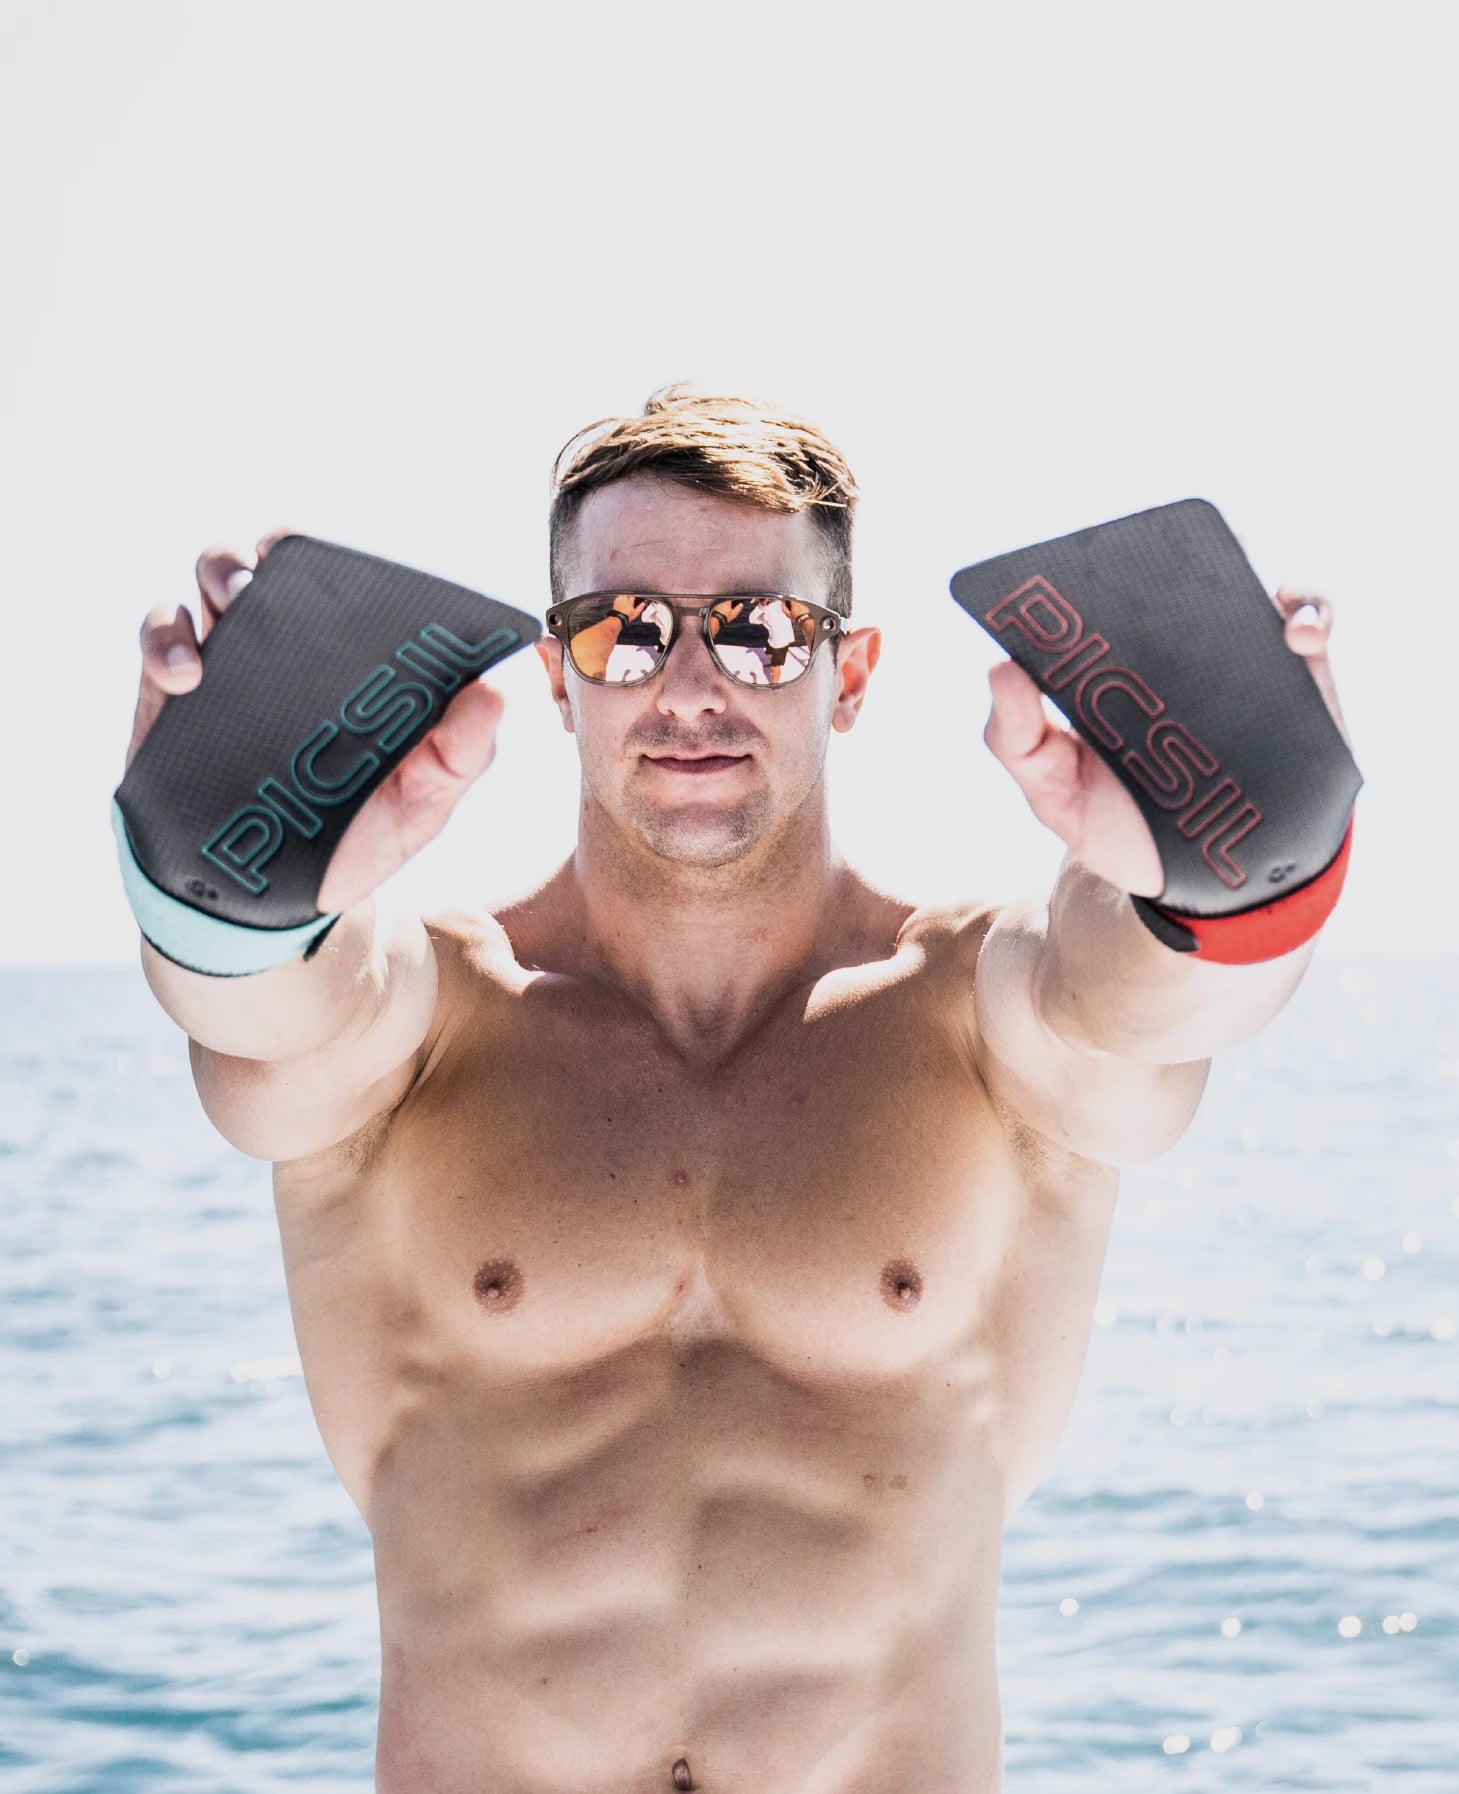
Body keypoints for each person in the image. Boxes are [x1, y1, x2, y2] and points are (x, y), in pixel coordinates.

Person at [125, 385, 1350, 1794]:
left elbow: (1145, 1010)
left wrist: (1237, 877)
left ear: (850, 673)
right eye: (625, 629)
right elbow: (268, 1029)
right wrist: (221, 891)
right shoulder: (427, 1023)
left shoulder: (977, 1015)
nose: (692, 687)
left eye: (763, 629)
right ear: (558, 675)